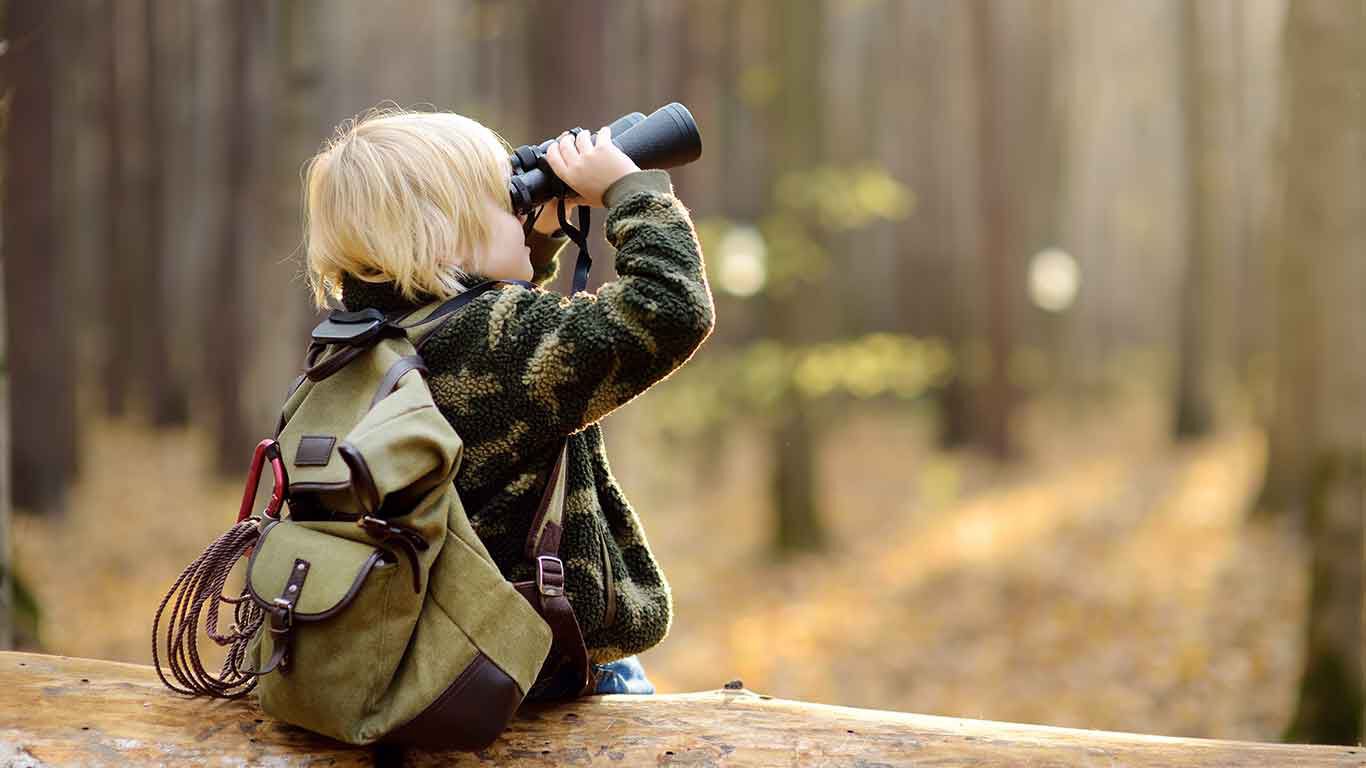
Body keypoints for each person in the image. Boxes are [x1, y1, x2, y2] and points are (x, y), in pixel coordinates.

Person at [301, 108, 715, 697]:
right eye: (508, 202)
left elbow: (509, 358)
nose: (522, 212)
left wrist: (539, 235)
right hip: (546, 670)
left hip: (448, 657)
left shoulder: (370, 339)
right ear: (446, 234)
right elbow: (670, 309)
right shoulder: (499, 340)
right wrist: (632, 189)